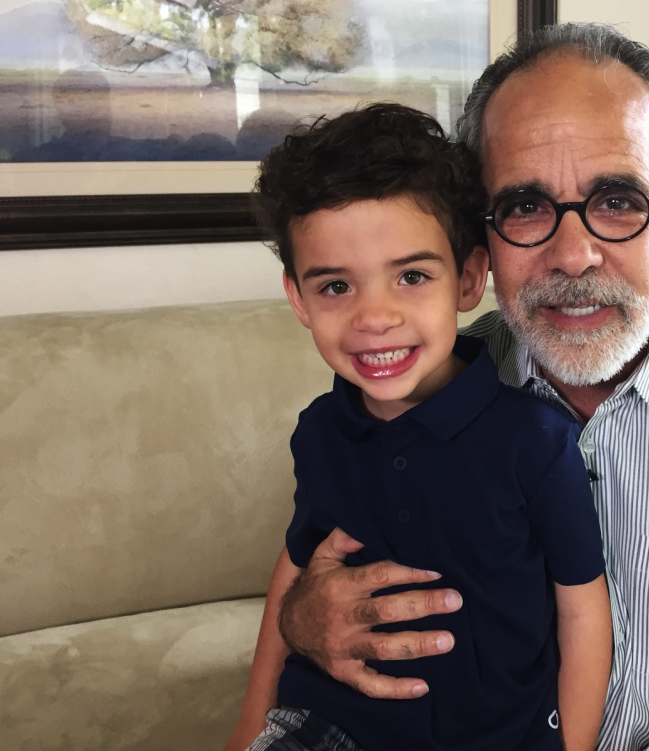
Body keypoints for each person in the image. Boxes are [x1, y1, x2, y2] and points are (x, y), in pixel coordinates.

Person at [276, 23, 649, 751]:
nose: (573, 254)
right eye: (526, 205)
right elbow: (324, 546)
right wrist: (300, 619)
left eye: (619, 200)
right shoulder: (421, 380)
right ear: (482, 240)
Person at [224, 103, 612, 751]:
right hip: (331, 724)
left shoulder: (536, 442)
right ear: (298, 298)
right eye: (336, 286)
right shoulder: (319, 432)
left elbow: (582, 610)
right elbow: (297, 564)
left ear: (468, 278)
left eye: (410, 276)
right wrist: (248, 725)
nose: (375, 317)